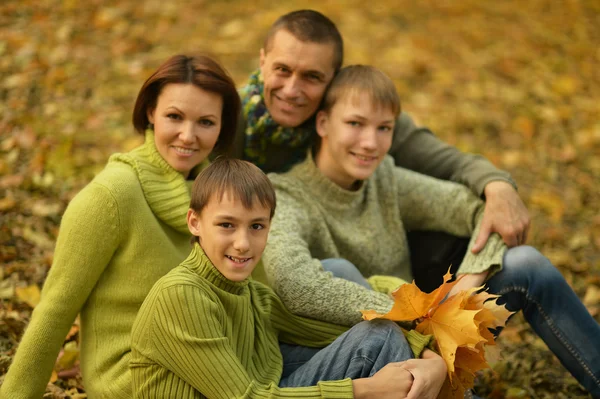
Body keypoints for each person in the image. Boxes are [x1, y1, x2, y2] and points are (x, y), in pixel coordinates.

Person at [261, 64, 600, 397]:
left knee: (527, 263)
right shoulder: (287, 195)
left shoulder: (386, 180)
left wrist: (466, 282)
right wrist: (416, 316)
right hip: (359, 361)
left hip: (430, 339)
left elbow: (484, 211)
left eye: (384, 128)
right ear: (323, 123)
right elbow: (295, 284)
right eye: (355, 124)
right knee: (338, 270)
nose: (370, 142)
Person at [228, 10, 530, 291]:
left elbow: (445, 161)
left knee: (520, 260)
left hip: (387, 273)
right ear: (263, 61)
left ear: (333, 79)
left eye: (312, 77)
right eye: (282, 70)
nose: (292, 90)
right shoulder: (229, 119)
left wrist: (497, 185)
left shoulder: (360, 122)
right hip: (275, 265)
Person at [0, 54, 241, 399]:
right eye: (174, 116)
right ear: (150, 113)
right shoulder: (111, 196)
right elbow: (55, 309)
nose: (188, 136)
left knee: (345, 350)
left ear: (222, 128)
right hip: (138, 380)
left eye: (205, 122)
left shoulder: (223, 194)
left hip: (217, 362)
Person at [130, 157, 448, 399]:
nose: (242, 243)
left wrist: (432, 358)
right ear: (195, 222)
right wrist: (366, 389)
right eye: (226, 225)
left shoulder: (250, 293)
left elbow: (336, 331)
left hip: (271, 385)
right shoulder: (180, 295)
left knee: (379, 336)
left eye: (256, 226)